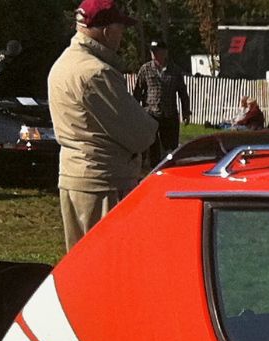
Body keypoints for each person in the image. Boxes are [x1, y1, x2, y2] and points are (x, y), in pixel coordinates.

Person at [47, 0, 158, 251]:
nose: (122, 35)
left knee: (80, 261)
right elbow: (141, 134)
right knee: (111, 260)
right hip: (103, 182)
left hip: (73, 176)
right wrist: (149, 122)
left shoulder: (63, 64)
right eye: (120, 28)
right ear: (107, 31)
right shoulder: (96, 72)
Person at [132, 41, 189, 162]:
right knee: (152, 147)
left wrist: (186, 112)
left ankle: (169, 167)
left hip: (169, 114)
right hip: (151, 115)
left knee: (171, 148)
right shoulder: (145, 69)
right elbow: (137, 92)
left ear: (164, 52)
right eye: (152, 51)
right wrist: (135, 112)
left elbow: (183, 93)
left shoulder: (175, 70)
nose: (154, 54)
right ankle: (153, 167)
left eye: (157, 51)